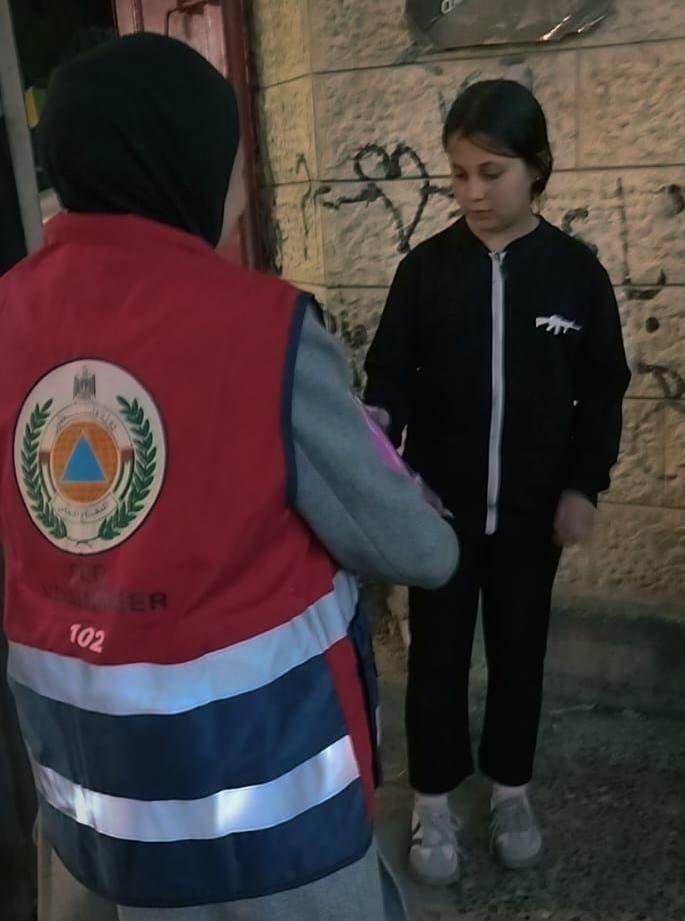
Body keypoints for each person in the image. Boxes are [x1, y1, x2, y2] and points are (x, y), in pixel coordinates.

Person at [0, 34, 458, 920]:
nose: (242, 183)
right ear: (184, 161)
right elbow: (420, 549)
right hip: (268, 839)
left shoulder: (6, 313)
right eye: (234, 156)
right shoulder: (263, 328)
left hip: (88, 823)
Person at [364, 79, 631, 885]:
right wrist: (389, 465)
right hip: (437, 515)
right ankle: (433, 801)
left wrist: (581, 485)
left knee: (519, 655)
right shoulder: (424, 271)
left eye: (491, 172)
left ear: (535, 167)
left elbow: (602, 389)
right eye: (458, 174)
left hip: (529, 515)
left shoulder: (575, 274)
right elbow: (387, 383)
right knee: (436, 660)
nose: (473, 192)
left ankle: (511, 791)